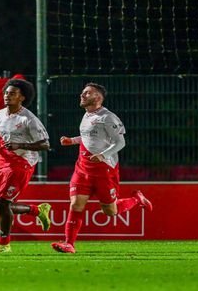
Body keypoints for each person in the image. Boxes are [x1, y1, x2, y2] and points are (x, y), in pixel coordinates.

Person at [51, 82, 153, 254]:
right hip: (82, 168)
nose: (82, 95)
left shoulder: (109, 117)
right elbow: (89, 137)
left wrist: (103, 155)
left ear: (98, 97)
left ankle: (137, 199)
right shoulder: (86, 115)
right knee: (76, 205)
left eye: (87, 93)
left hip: (104, 170)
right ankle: (69, 244)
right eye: (82, 92)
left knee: (110, 211)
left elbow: (120, 142)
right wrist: (72, 140)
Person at [0, 77, 52, 253]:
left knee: (3, 204)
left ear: (22, 97)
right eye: (6, 92)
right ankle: (36, 211)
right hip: (1, 162)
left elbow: (45, 145)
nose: (7, 95)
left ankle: (4, 244)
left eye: (12, 93)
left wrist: (21, 145)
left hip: (22, 163)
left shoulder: (29, 119)